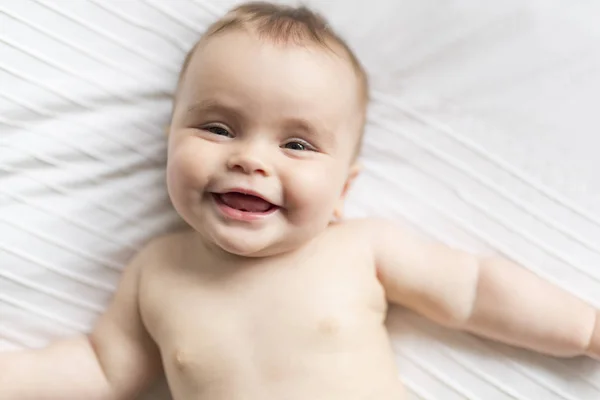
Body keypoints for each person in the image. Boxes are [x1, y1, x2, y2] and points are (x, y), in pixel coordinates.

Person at [1, 2, 598, 400]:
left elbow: (472, 291)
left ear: (343, 189)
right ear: (168, 143)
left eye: (296, 143)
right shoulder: (156, 271)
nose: (251, 159)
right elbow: (102, 366)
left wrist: (586, 328)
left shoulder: (360, 249)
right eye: (218, 128)